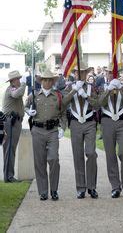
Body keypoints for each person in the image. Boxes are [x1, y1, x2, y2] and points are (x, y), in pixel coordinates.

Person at [25, 69, 79, 201]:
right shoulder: (34, 94)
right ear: (41, 81)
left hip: (52, 131)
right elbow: (25, 106)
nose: (47, 82)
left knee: (54, 159)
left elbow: (63, 113)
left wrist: (62, 127)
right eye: (45, 80)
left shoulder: (58, 96)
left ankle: (54, 190)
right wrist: (28, 111)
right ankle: (43, 191)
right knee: (40, 162)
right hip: (37, 130)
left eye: (50, 80)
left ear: (53, 81)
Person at [97, 75, 123, 198]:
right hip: (107, 122)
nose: (111, 75)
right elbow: (99, 103)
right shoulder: (100, 88)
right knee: (110, 155)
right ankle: (115, 186)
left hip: (122, 121)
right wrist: (109, 90)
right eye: (108, 72)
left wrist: (121, 89)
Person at [67, 64, 99, 199]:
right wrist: (74, 91)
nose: (79, 75)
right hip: (75, 123)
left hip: (89, 122)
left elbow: (97, 104)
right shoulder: (70, 87)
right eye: (77, 72)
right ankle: (81, 188)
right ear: (74, 74)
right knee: (78, 155)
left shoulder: (92, 88)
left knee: (91, 153)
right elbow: (63, 103)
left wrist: (85, 96)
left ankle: (92, 187)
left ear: (86, 73)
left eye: (83, 72)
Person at [2, 70, 26, 182]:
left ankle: (9, 175)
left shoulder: (15, 88)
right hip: (10, 122)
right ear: (12, 81)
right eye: (18, 79)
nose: (19, 81)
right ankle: (9, 177)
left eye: (20, 79)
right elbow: (17, 94)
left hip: (15, 122)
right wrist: (25, 84)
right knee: (9, 150)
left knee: (11, 149)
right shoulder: (12, 89)